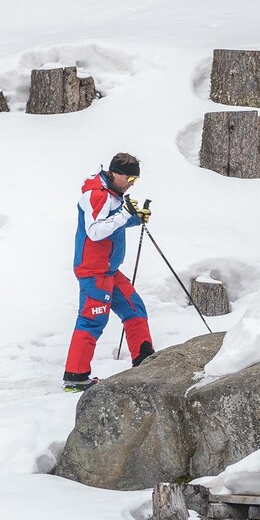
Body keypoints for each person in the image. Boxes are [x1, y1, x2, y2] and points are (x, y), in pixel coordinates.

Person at [62, 151, 154, 392]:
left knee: (135, 309)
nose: (132, 183)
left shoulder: (113, 194)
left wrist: (135, 218)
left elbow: (112, 222)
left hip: (110, 271)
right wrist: (125, 215)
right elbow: (95, 231)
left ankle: (145, 363)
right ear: (115, 173)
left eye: (135, 180)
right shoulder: (96, 195)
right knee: (92, 320)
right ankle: (75, 377)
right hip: (94, 272)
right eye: (130, 179)